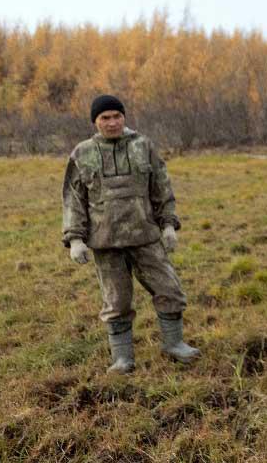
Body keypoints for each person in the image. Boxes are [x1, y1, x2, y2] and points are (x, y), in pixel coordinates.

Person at [62, 95, 200, 373]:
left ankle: (174, 344)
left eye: (117, 116)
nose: (112, 122)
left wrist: (168, 225)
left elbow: (161, 187)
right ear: (95, 121)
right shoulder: (82, 153)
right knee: (116, 302)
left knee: (169, 289)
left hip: (145, 237)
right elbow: (73, 199)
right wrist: (75, 239)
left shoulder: (143, 145)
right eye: (105, 118)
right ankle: (122, 358)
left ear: (124, 117)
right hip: (106, 242)